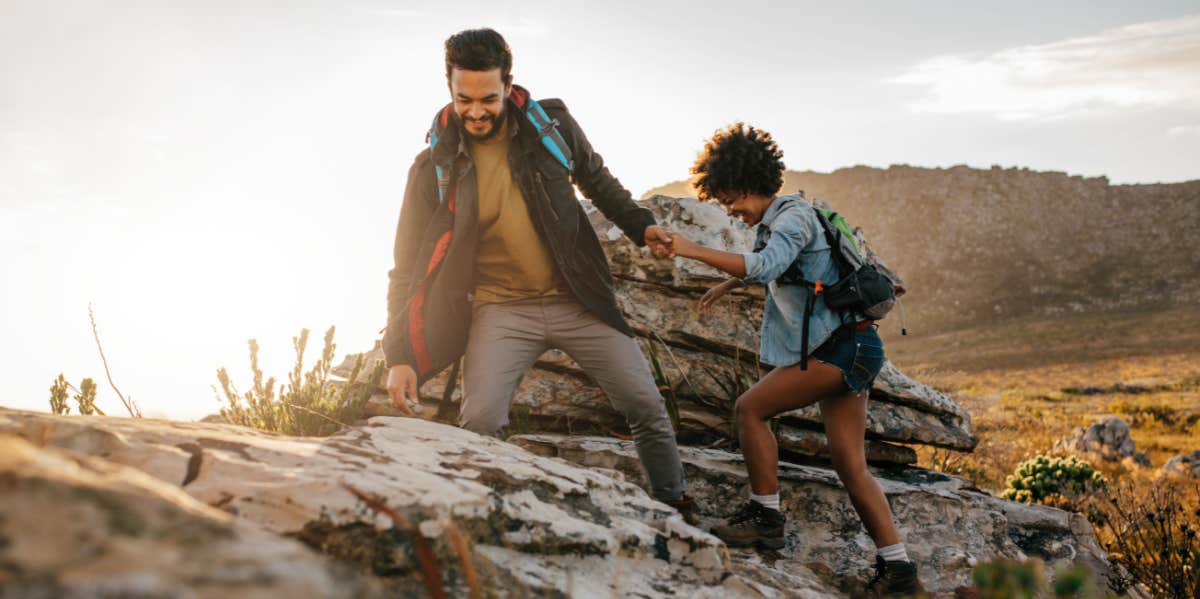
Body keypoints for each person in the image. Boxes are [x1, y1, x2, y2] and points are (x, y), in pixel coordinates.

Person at [380, 28, 694, 521]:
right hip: (499, 309)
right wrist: (399, 354)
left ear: (509, 84)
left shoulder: (553, 127)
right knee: (480, 419)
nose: (476, 110)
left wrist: (642, 227)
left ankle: (675, 504)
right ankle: (482, 519)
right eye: (464, 99)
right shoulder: (430, 167)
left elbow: (598, 180)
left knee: (645, 404)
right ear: (449, 89)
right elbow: (405, 266)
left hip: (577, 299)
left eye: (488, 97)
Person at [662, 123, 923, 595]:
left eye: (730, 198)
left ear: (748, 183)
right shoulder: (784, 217)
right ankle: (900, 571)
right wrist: (727, 283)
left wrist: (691, 250)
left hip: (842, 349)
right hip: (857, 346)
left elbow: (766, 265)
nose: (730, 210)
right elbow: (775, 265)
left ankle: (765, 517)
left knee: (750, 409)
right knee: (850, 465)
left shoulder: (793, 218)